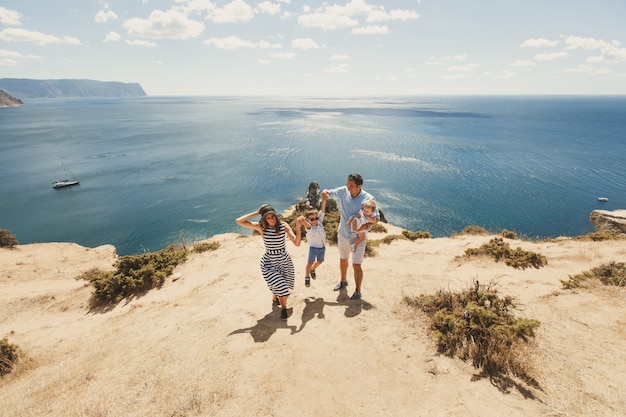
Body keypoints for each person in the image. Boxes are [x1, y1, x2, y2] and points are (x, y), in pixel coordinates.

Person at [235, 204, 302, 320]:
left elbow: (297, 243)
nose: (271, 219)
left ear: (276, 216)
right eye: (268, 217)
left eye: (273, 216)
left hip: (284, 261)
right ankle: (284, 309)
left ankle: (274, 299)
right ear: (264, 219)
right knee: (282, 287)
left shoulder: (283, 226)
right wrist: (257, 212)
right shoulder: (262, 228)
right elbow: (239, 221)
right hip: (269, 262)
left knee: (279, 283)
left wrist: (298, 227)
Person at [322, 173, 379, 300]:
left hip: (358, 237)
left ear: (360, 186)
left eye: (352, 186)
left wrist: (363, 227)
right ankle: (343, 281)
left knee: (356, 264)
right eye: (348, 184)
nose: (349, 187)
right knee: (343, 259)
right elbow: (329, 192)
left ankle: (358, 291)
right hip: (343, 233)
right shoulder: (343, 191)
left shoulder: (368, 199)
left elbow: (376, 219)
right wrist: (325, 193)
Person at [297, 192, 327, 288]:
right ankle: (307, 277)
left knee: (320, 261)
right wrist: (302, 221)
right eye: (312, 219)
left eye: (316, 218)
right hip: (313, 248)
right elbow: (306, 225)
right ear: (308, 220)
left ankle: (313, 269)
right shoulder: (309, 227)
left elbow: (322, 210)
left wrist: (324, 199)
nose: (314, 220)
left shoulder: (320, 222)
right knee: (309, 262)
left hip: (322, 247)